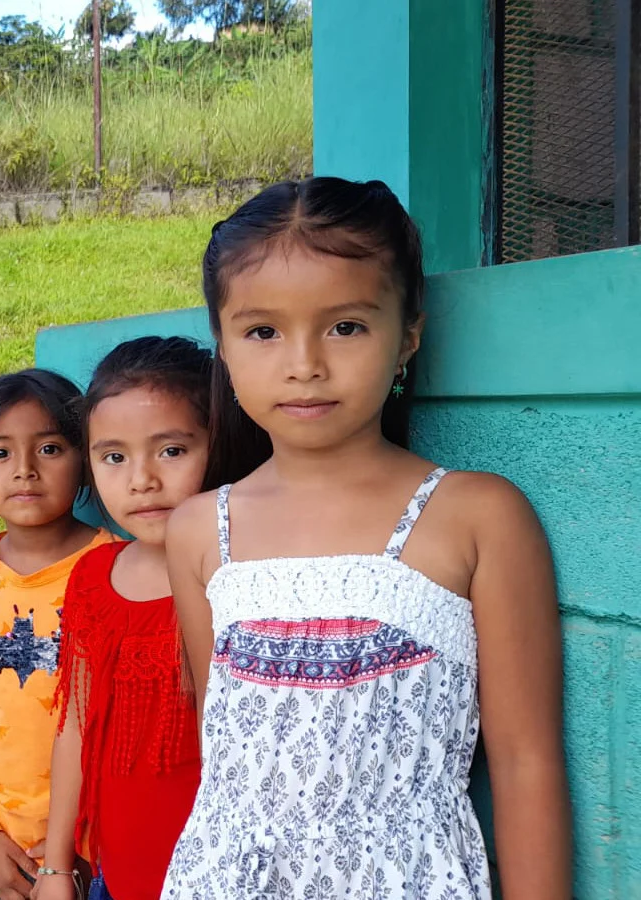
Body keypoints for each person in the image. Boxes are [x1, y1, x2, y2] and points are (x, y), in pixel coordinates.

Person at [161, 177, 572, 898]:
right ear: (221, 344)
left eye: (346, 326)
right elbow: (219, 749)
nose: (304, 364)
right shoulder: (200, 530)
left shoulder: (477, 516)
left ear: (408, 333)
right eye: (263, 331)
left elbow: (526, 762)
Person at [0, 370, 116, 900]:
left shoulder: (113, 569)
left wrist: (78, 850)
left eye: (50, 448)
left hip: (91, 852)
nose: (25, 471)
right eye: (0, 453)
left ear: (85, 460)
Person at [36, 337, 212, 900]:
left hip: (218, 871)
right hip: (116, 873)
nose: (141, 480)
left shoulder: (242, 575)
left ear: (218, 441)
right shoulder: (93, 578)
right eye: (114, 456)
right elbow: (74, 726)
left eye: (171, 451)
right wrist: (57, 866)